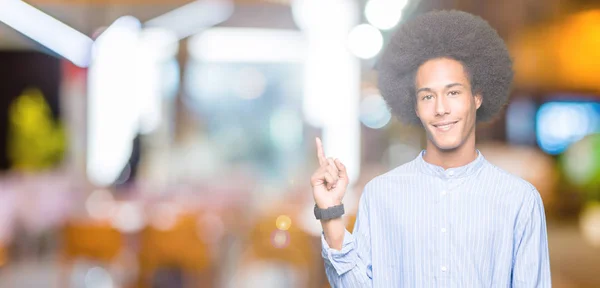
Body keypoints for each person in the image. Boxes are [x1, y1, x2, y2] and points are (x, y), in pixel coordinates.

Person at [310, 10, 551, 287]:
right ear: (415, 106)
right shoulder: (380, 195)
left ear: (477, 97)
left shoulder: (520, 201)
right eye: (427, 96)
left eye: (453, 92)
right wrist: (330, 215)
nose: (440, 109)